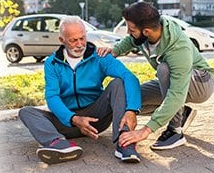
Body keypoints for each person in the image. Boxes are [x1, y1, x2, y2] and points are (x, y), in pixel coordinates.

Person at [19, 16, 142, 165]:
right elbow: (52, 96)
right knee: (26, 112)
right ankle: (58, 144)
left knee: (118, 83)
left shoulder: (99, 56)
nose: (80, 44)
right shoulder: (52, 63)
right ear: (61, 40)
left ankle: (124, 142)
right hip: (67, 122)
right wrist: (73, 119)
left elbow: (129, 77)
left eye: (82, 38)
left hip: (96, 118)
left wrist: (132, 110)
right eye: (73, 40)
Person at [98, 1, 214, 150]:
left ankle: (175, 131)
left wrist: (145, 130)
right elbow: (131, 41)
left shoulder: (178, 48)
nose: (128, 32)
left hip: (201, 82)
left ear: (146, 31)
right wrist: (114, 51)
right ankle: (181, 112)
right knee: (132, 98)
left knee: (163, 70)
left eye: (131, 29)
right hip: (177, 83)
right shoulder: (147, 33)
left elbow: (176, 94)